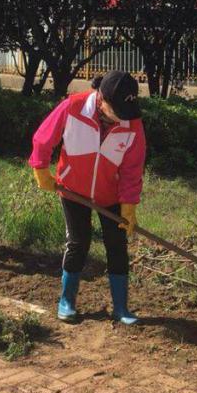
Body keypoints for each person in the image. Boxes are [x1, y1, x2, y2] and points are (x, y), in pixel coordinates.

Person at [30, 70, 146, 325]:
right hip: (73, 189)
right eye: (116, 111)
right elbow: (43, 137)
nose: (121, 119)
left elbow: (132, 169)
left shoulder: (132, 122)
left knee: (117, 245)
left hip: (111, 193)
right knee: (78, 242)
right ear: (101, 99)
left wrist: (128, 205)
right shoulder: (73, 107)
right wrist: (41, 169)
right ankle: (67, 301)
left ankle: (121, 307)